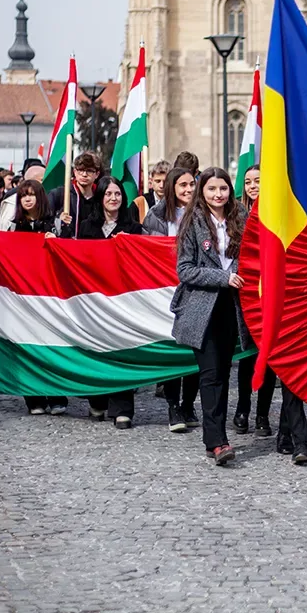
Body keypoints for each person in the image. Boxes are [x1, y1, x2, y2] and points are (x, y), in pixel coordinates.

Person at [171, 167, 254, 466]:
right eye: (211, 189)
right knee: (211, 375)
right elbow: (185, 270)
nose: (218, 194)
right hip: (201, 308)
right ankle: (218, 441)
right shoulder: (192, 222)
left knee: (223, 372)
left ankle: (213, 439)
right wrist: (223, 277)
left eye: (223, 189)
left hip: (232, 307)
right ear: (201, 192)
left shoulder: (241, 217)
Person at [60, 177, 142, 428]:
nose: (113, 198)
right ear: (101, 198)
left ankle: (122, 408)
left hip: (122, 300)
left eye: (117, 194)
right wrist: (61, 233)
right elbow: (74, 257)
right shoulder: (86, 227)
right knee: (96, 349)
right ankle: (97, 401)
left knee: (122, 352)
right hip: (94, 301)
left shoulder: (134, 229)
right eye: (108, 194)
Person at [144, 167, 200, 424]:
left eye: (192, 184)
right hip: (164, 290)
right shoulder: (155, 216)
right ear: (172, 188)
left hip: (196, 288)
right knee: (171, 347)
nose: (189, 189)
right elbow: (146, 249)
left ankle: (189, 403)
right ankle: (172, 405)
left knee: (194, 348)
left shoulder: (203, 212)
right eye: (183, 185)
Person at [6, 180, 68, 415]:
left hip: (48, 295)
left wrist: (58, 240)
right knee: (27, 345)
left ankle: (55, 394)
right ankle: (33, 397)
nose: (28, 199)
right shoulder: (14, 227)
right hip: (22, 296)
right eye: (23, 196)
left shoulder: (54, 224)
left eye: (32, 195)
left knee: (50, 345)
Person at [231, 164, 261, 430]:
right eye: (248, 182)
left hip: (270, 292)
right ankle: (243, 409)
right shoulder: (238, 215)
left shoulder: (275, 213)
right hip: (246, 292)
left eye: (258, 181)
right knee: (247, 355)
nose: (252, 186)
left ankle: (262, 414)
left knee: (269, 356)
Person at [47, 151, 101, 238]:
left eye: (89, 171)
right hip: (67, 246)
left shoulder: (101, 197)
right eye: (81, 170)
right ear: (75, 172)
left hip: (93, 247)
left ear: (97, 174)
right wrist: (59, 221)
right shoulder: (59, 194)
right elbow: (45, 223)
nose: (84, 174)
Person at [0, 160, 46, 231]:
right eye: (42, 179)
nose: (27, 199)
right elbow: (4, 228)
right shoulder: (12, 201)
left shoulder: (45, 199)